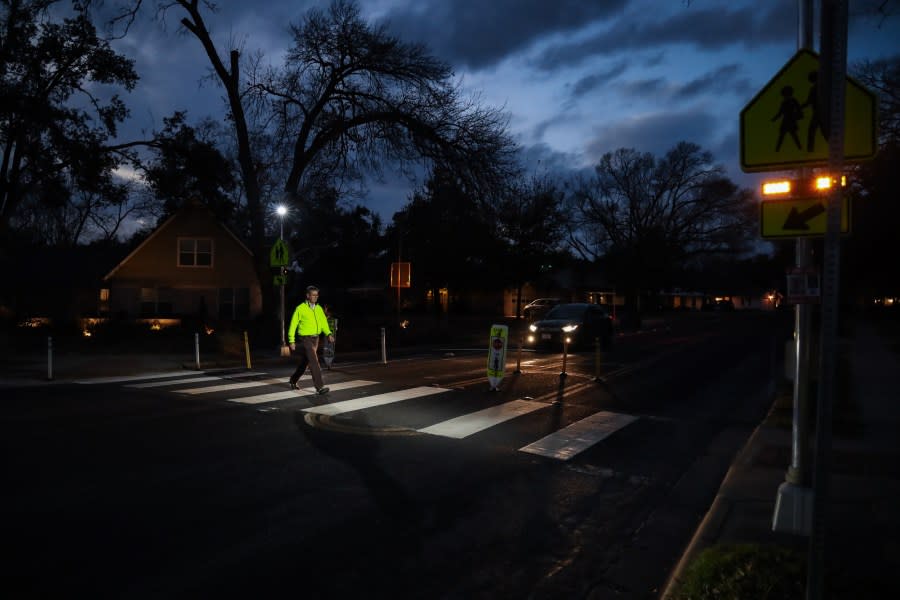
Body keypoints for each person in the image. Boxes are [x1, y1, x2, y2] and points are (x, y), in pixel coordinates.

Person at [287, 285, 334, 394]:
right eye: (313, 295)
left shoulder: (318, 309)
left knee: (306, 362)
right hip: (305, 338)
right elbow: (293, 325)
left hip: (315, 339)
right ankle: (319, 387)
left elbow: (323, 323)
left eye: (317, 295)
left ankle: (293, 380)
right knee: (314, 361)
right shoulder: (300, 308)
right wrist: (291, 340)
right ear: (307, 295)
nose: (315, 297)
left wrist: (328, 333)